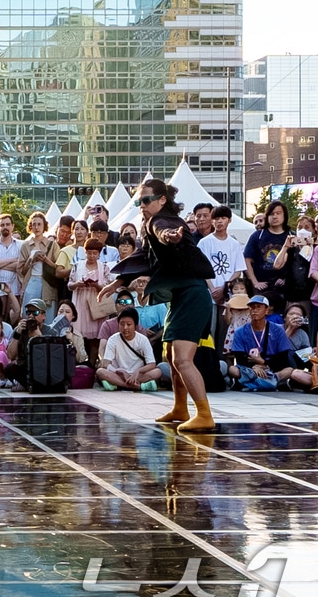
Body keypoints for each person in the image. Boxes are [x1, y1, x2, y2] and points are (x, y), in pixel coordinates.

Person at [107, 178, 217, 432]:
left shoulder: (162, 222)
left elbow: (164, 232)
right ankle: (180, 407)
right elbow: (143, 257)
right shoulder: (148, 224)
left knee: (182, 359)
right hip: (181, 296)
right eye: (138, 202)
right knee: (169, 355)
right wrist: (118, 282)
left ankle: (204, 413)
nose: (142, 206)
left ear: (161, 200)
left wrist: (171, 237)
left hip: (193, 294)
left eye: (146, 200)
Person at [226, 294, 299, 389]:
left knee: (289, 370)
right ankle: (269, 383)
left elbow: (283, 357)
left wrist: (264, 362)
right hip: (250, 369)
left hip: (271, 367)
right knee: (233, 369)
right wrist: (254, 366)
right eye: (252, 307)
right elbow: (239, 357)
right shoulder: (240, 331)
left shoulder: (278, 330)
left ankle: (250, 383)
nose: (254, 310)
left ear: (267, 310)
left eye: (258, 307)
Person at [244, 200, 294, 309]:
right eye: (271, 214)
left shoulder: (291, 236)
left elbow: (297, 263)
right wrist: (255, 282)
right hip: (261, 287)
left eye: (278, 213)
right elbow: (247, 260)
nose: (275, 217)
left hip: (284, 287)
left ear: (284, 215)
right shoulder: (258, 236)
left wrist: (287, 279)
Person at [68, 239, 111, 364]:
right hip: (80, 304)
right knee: (78, 336)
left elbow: (108, 287)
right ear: (85, 252)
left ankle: (92, 365)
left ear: (99, 254)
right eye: (89, 253)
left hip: (97, 305)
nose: (92, 256)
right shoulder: (77, 265)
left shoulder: (104, 267)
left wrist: (97, 285)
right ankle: (79, 364)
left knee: (95, 338)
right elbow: (69, 284)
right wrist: (78, 284)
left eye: (95, 253)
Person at [96, 307, 161, 391]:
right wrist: (118, 371)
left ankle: (119, 384)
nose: (125, 327)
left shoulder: (143, 340)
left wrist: (138, 371)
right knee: (100, 372)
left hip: (137, 375)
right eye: (122, 324)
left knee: (157, 372)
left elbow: (152, 364)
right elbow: (105, 364)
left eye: (129, 324)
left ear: (135, 325)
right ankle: (137, 386)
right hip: (119, 375)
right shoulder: (113, 339)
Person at [18, 211, 64, 317]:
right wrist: (31, 260)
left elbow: (59, 267)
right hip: (32, 280)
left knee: (48, 315)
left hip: (47, 282)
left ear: (44, 226)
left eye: (39, 224)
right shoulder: (25, 245)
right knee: (29, 314)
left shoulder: (52, 245)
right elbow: (21, 270)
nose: (36, 227)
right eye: (33, 224)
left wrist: (46, 260)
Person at [198, 205, 245, 306]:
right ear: (212, 221)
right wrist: (213, 289)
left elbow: (238, 270)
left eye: (223, 218)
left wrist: (224, 288)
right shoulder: (204, 243)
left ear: (229, 220)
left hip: (229, 294)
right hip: (208, 292)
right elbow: (201, 268)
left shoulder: (235, 244)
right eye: (216, 218)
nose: (219, 221)